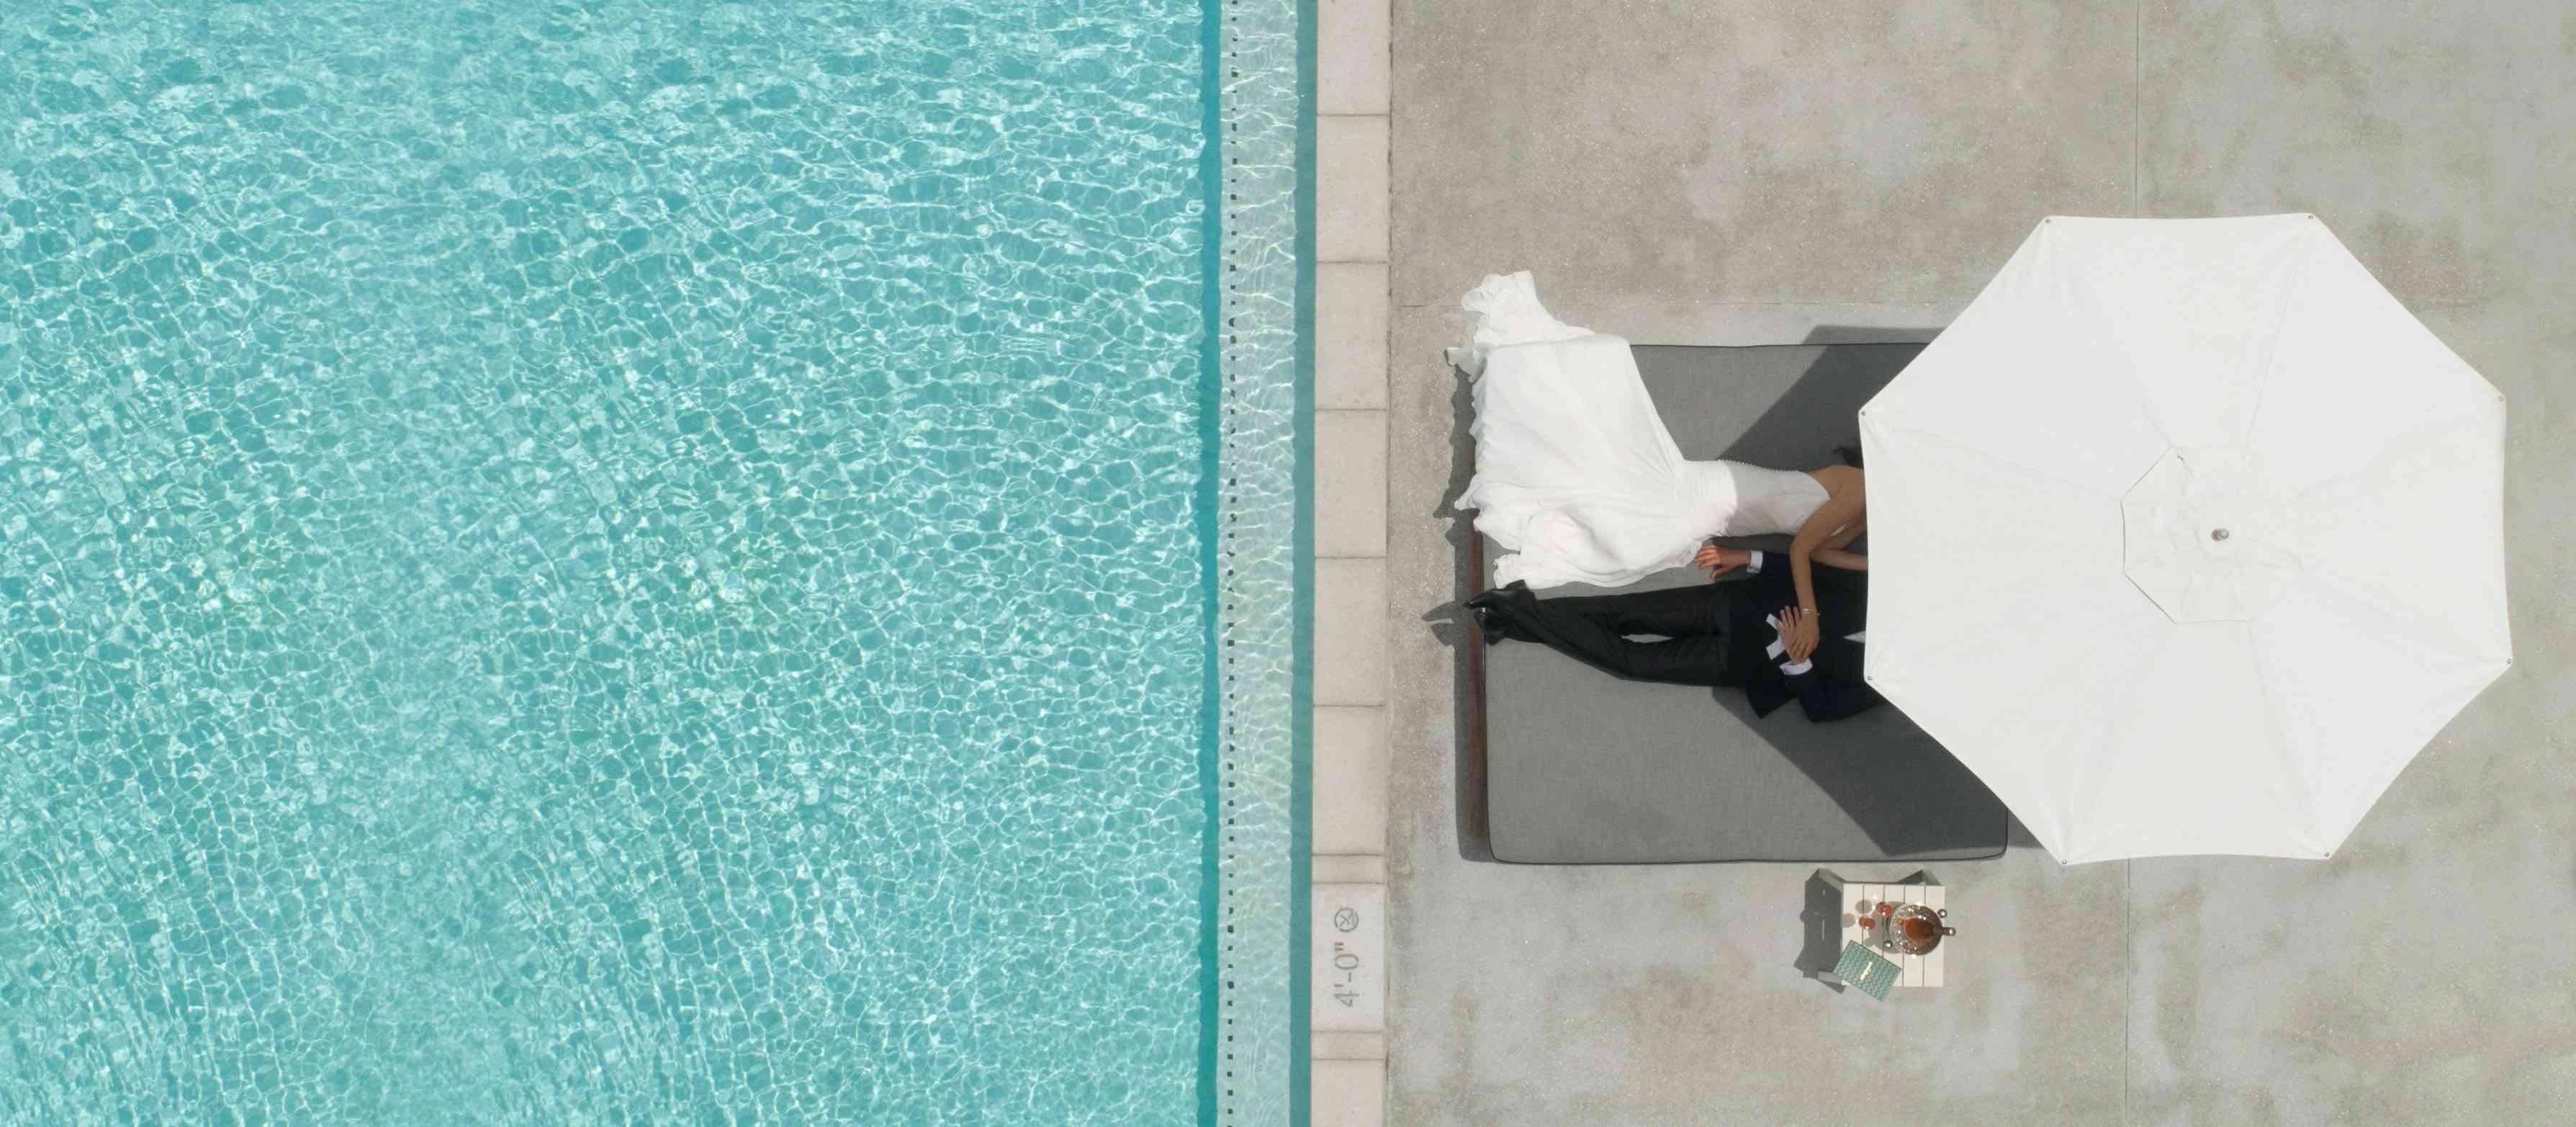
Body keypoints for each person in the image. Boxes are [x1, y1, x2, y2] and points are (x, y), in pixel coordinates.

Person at [1451, 273, 1868, 619]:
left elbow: (1822, 554)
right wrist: (1809, 616)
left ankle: (1541, 484)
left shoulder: (1862, 517)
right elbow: (1800, 549)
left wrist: (1876, 566)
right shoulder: (1859, 488)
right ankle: (1525, 418)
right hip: (1715, 493)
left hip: (1723, 520)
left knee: (1627, 529)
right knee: (1632, 542)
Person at [1464, 547, 1881, 724]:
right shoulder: (1881, 589)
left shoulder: (1889, 686)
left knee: (1633, 664)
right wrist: (1748, 557)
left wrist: (1799, 660)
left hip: (1739, 661)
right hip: (1738, 602)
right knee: (1622, 613)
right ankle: (1511, 616)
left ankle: (1515, 610)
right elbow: (1816, 566)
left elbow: (1823, 710)